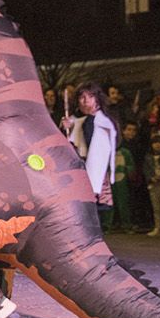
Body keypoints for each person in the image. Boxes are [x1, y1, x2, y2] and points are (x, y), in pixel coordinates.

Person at [61, 82, 118, 221]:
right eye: (82, 97)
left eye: (90, 96)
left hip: (94, 172)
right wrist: (65, 128)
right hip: (79, 170)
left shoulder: (103, 122)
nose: (86, 101)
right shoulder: (77, 120)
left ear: (97, 99)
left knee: (91, 213)